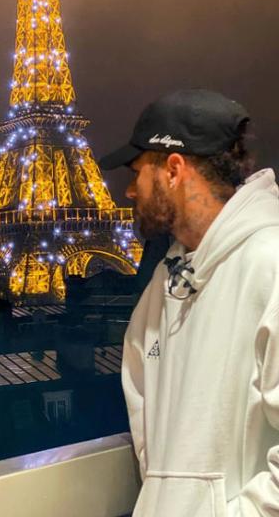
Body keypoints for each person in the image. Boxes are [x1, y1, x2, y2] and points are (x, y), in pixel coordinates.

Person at [100, 89, 279, 516]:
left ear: (174, 169)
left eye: (137, 171)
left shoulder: (270, 264)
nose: (129, 190)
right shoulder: (162, 286)